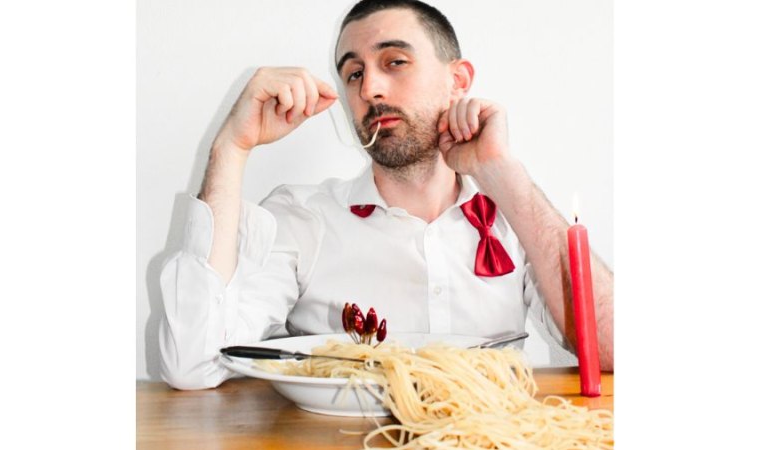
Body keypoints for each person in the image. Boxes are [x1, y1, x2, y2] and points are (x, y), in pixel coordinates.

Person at [159, 0, 614, 390]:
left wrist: (504, 174)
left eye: (394, 61)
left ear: (458, 81)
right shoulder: (302, 218)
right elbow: (193, 364)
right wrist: (231, 147)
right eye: (353, 73)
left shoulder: (515, 218)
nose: (370, 88)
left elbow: (616, 350)